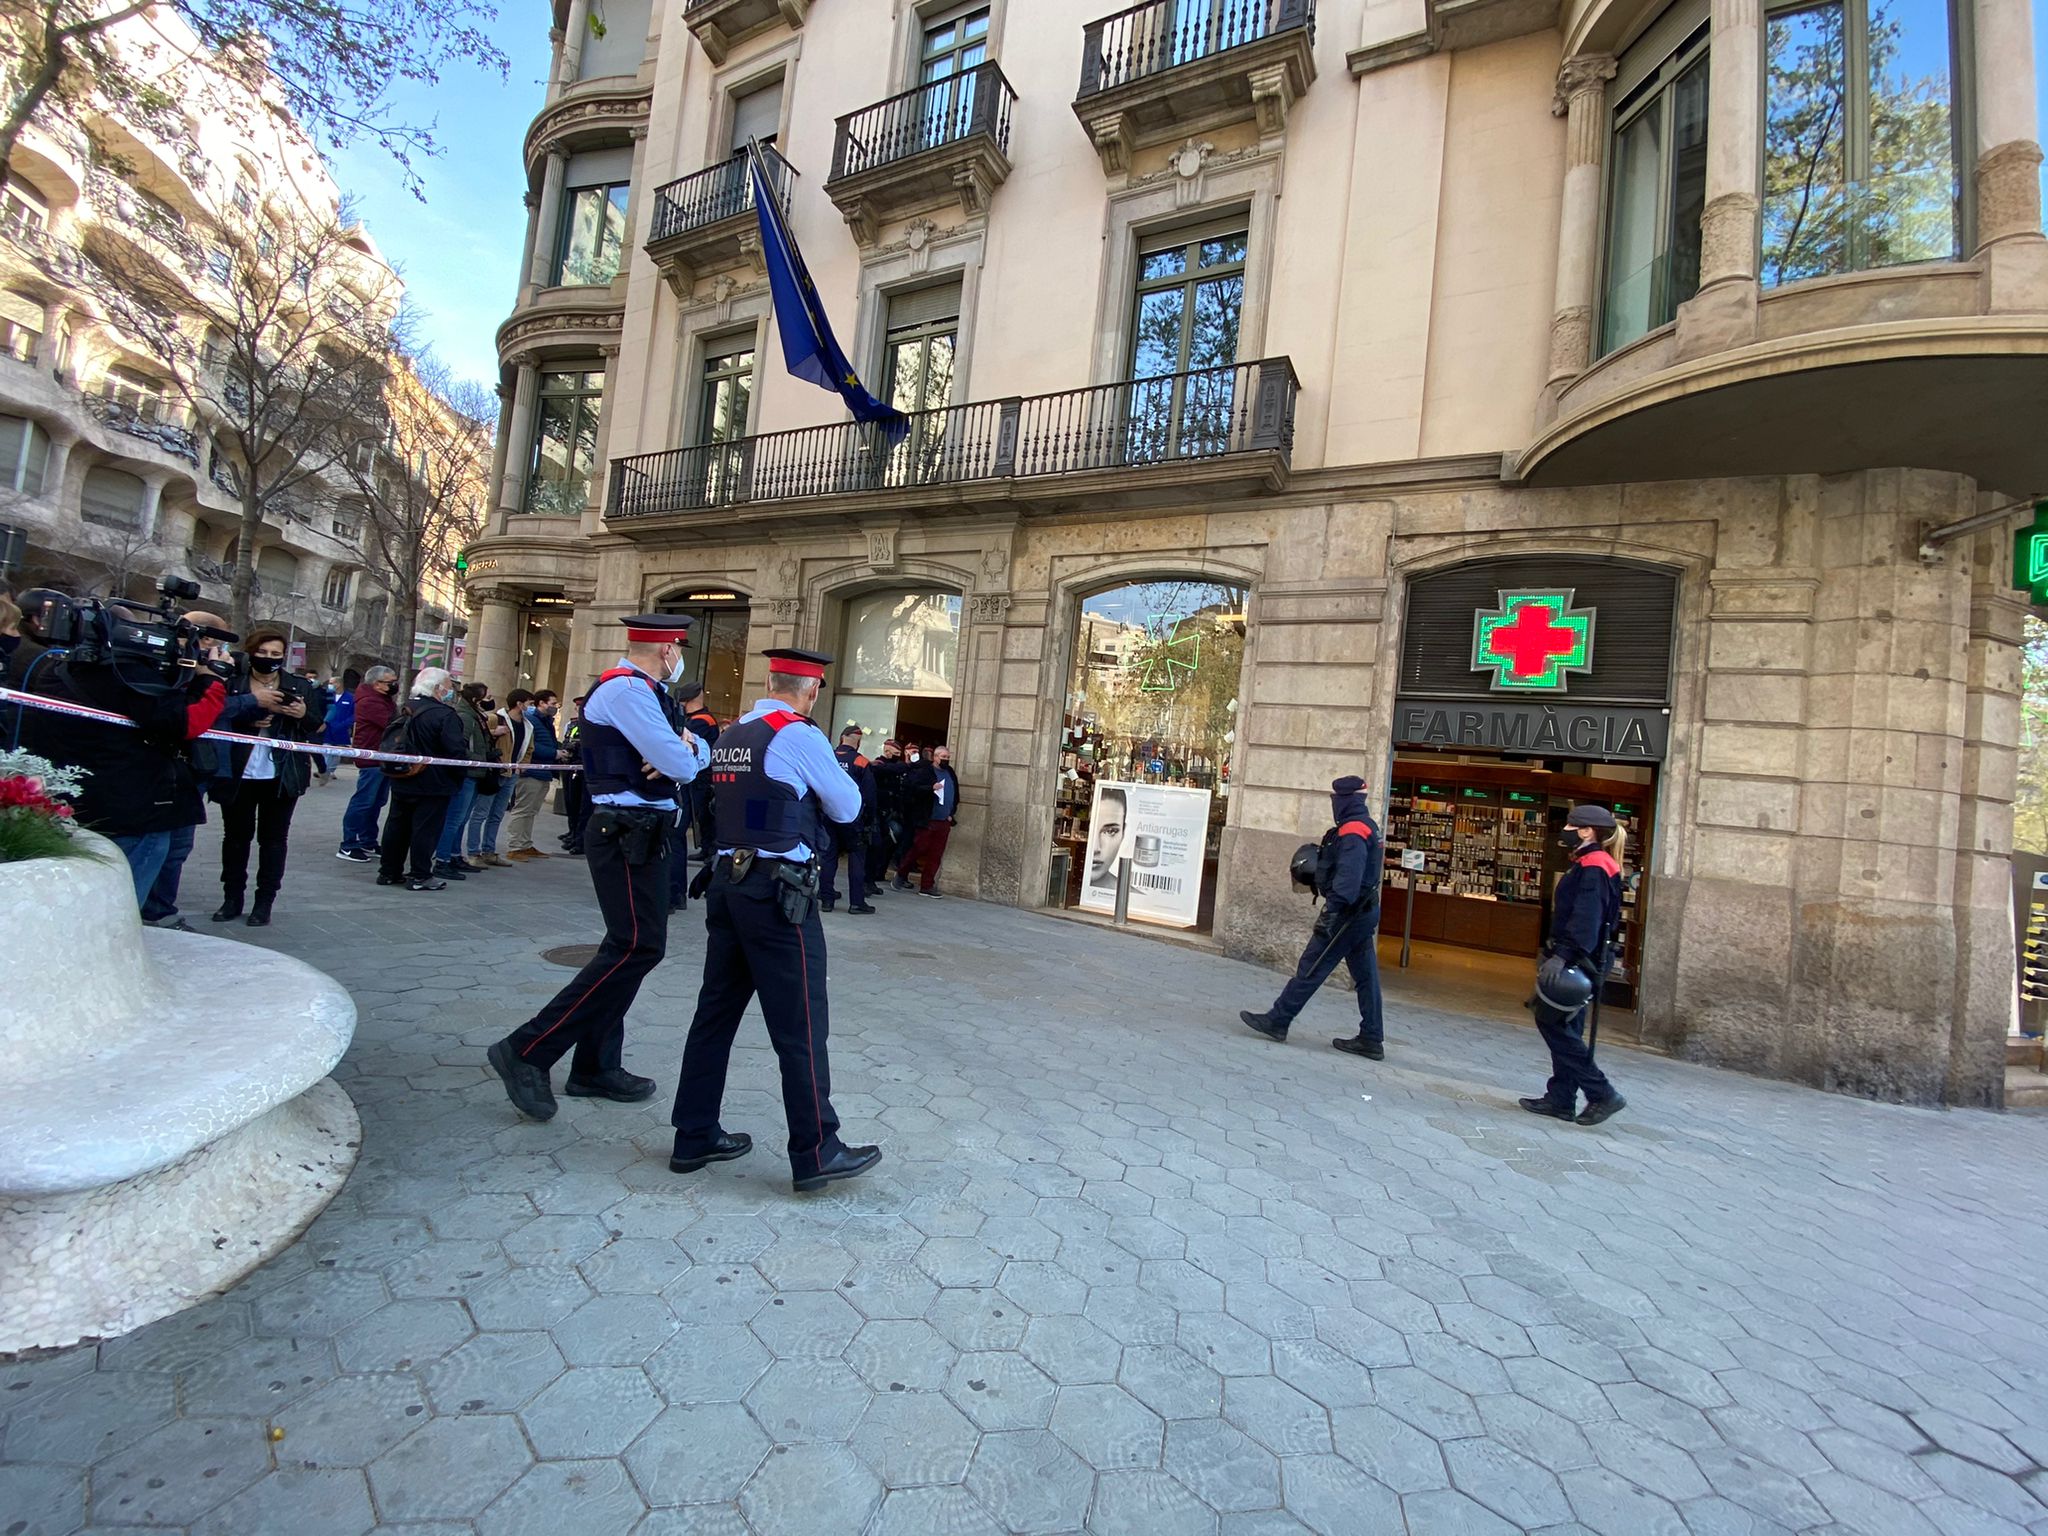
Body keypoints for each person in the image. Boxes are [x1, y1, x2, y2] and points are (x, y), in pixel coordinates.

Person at [670, 647, 881, 1194]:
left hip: (727, 884)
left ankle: (692, 1134)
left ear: (768, 680)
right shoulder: (799, 734)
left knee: (713, 1016)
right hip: (776, 893)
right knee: (803, 1026)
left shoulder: (733, 733)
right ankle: (815, 1150)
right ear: (812, 690)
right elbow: (848, 806)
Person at [489, 616, 710, 1119]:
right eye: (678, 649)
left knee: (630, 946)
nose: (680, 658)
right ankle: (528, 1049)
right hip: (627, 830)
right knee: (636, 946)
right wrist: (683, 752)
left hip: (644, 830)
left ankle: (594, 1065)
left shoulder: (649, 693)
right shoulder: (628, 691)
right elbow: (680, 766)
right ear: (667, 650)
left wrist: (686, 748)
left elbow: (691, 755)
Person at [12, 601, 229, 905]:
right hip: (130, 807)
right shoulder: (126, 674)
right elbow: (186, 722)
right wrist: (212, 680)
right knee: (119, 903)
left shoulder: (59, 667)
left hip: (71, 798)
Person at [1240, 776, 1387, 1060]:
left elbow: (1348, 879)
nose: (1334, 802)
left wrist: (1330, 914)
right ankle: (1371, 1037)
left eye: (1336, 798)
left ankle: (1278, 1020)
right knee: (1366, 976)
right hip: (1363, 911)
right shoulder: (1367, 825)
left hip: (1348, 914)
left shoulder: (1354, 830)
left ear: (1345, 799)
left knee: (1312, 965)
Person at [208, 630, 327, 926]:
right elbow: (214, 713)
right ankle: (232, 898)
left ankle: (264, 902)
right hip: (239, 771)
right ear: (251, 652)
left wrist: (301, 713)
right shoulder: (234, 682)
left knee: (273, 841)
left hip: (281, 773)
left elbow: (317, 727)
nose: (270, 659)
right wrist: (250, 711)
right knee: (236, 838)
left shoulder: (299, 685)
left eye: (276, 655)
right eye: (264, 652)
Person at [1521, 805, 1628, 1126]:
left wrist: (1563, 955)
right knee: (1567, 1026)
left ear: (1586, 831)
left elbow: (1586, 918)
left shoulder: (1593, 866)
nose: (1564, 830)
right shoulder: (1593, 862)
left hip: (1579, 960)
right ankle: (1562, 1097)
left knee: (1553, 1023)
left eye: (1570, 825)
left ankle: (1601, 1092)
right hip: (1586, 959)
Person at [139, 609, 234, 932]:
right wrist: (212, 681)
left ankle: (160, 908)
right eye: (219, 643)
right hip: (157, 772)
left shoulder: (209, 669)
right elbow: (189, 719)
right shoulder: (162, 667)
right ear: (205, 640)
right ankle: (149, 913)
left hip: (191, 770)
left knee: (176, 847)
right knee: (154, 847)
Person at [376, 668, 467, 891]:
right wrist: (456, 779)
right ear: (438, 688)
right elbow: (456, 751)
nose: (451, 691)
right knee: (426, 829)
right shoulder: (445, 715)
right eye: (448, 686)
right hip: (433, 782)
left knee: (397, 825)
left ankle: (389, 871)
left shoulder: (403, 709)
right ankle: (420, 875)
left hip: (401, 775)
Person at [433, 683, 497, 879]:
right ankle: (443, 859)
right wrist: (479, 759)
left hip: (474, 772)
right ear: (477, 699)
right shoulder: (465, 716)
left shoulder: (474, 715)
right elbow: (460, 745)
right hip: (468, 772)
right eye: (487, 697)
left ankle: (453, 855)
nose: (490, 700)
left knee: (461, 819)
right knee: (455, 819)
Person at [339, 665, 399, 860]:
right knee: (363, 802)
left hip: (383, 757)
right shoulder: (369, 702)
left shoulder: (383, 699)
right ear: (377, 684)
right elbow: (392, 724)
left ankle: (368, 840)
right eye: (390, 682)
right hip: (372, 758)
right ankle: (348, 844)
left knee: (376, 802)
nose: (394, 685)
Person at [668, 684, 719, 913]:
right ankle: (675, 892)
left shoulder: (701, 721)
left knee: (675, 835)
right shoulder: (699, 719)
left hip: (694, 785)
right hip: (693, 784)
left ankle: (675, 892)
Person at [465, 688, 528, 867]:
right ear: (519, 703)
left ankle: (489, 850)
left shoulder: (527, 724)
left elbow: (528, 747)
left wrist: (521, 765)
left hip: (511, 774)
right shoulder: (495, 718)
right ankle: (473, 852)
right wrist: (494, 733)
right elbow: (482, 739)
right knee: (481, 813)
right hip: (494, 772)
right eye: (528, 704)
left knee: (497, 814)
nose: (529, 708)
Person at [819, 725, 876, 915]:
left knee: (828, 857)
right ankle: (857, 903)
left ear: (841, 738)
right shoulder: (860, 761)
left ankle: (826, 899)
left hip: (828, 814)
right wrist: (869, 819)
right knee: (857, 858)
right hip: (853, 817)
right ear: (858, 742)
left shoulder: (829, 757)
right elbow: (869, 795)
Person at [895, 743, 959, 897]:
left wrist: (951, 813)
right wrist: (931, 788)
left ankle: (927, 886)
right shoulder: (926, 772)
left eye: (948, 757)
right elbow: (914, 790)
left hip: (944, 820)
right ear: (935, 757)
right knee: (919, 848)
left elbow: (955, 793)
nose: (946, 760)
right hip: (928, 819)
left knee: (936, 854)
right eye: (943, 757)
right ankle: (902, 872)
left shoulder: (950, 772)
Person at [505, 689, 560, 861]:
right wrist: (555, 753)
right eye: (552, 704)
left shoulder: (547, 722)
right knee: (523, 810)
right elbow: (532, 745)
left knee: (531, 811)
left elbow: (547, 742)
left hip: (543, 772)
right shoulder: (532, 721)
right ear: (541, 703)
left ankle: (525, 843)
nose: (555, 707)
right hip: (531, 772)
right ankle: (515, 846)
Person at [678, 682, 720, 861]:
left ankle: (709, 848)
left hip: (702, 776)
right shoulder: (699, 719)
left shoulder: (701, 721)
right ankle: (707, 848)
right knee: (701, 813)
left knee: (701, 812)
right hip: (699, 775)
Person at [866, 738, 906, 891]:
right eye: (896, 753)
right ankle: (869, 879)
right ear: (887, 751)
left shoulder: (895, 767)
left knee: (886, 845)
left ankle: (875, 877)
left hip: (890, 811)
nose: (898, 756)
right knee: (875, 846)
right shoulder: (879, 765)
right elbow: (891, 770)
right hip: (879, 811)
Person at [558, 695, 590, 854]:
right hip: (572, 766)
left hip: (584, 768)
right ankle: (573, 833)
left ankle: (580, 840)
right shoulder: (573, 724)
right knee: (572, 803)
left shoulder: (590, 725)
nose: (578, 710)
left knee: (583, 806)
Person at [317, 668, 358, 785]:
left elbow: (354, 714)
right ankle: (325, 771)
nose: (329, 685)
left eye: (331, 683)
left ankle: (331, 770)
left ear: (339, 684)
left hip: (341, 729)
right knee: (326, 750)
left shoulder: (350, 698)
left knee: (336, 752)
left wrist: (345, 724)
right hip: (327, 727)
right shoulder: (327, 696)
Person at [1086, 786, 1130, 890]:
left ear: (1123, 832)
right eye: (1090, 829)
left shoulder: (1135, 898)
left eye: (1110, 831)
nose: (1096, 848)